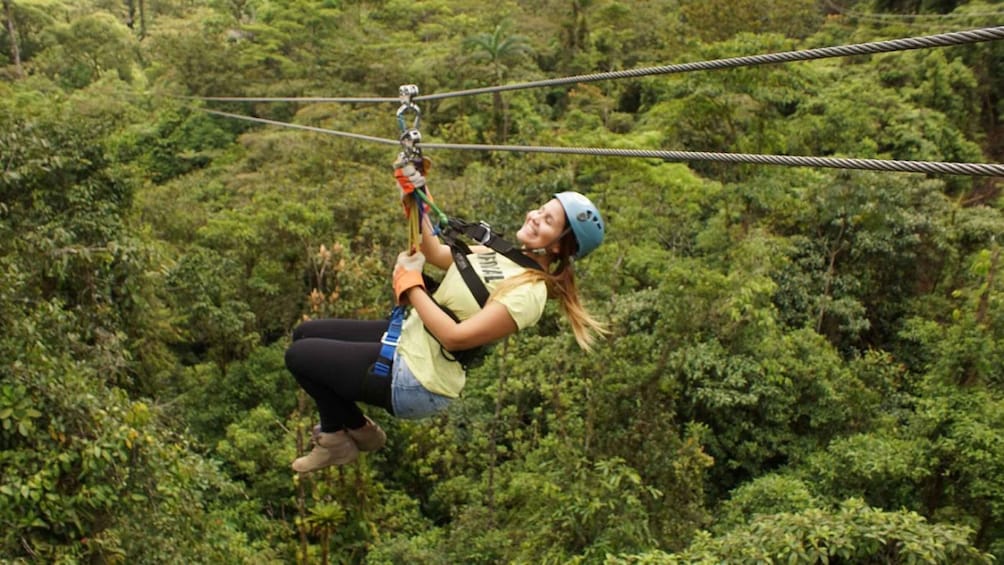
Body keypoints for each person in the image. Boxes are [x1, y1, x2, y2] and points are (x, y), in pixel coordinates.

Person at [284, 165, 606, 473]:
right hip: (414, 338)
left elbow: (456, 337)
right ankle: (353, 431)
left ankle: (338, 438)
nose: (534, 216)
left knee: (300, 357)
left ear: (561, 246)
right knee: (304, 334)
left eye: (547, 220)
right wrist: (417, 196)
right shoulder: (506, 255)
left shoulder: (529, 293)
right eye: (540, 209)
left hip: (419, 379)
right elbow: (437, 253)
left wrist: (411, 286)